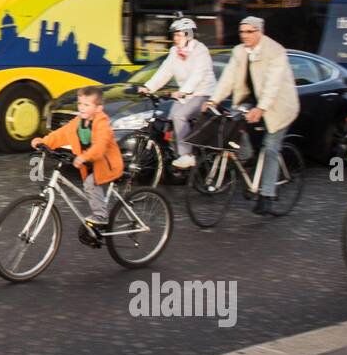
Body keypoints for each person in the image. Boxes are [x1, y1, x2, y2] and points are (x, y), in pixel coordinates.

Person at [205, 16, 300, 216]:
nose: (245, 36)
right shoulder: (239, 52)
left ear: (259, 32)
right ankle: (247, 155)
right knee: (230, 123)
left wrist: (261, 108)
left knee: (270, 147)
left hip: (278, 105)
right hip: (251, 99)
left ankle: (267, 195)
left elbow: (273, 85)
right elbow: (228, 78)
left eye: (249, 32)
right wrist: (214, 100)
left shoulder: (275, 52)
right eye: (242, 32)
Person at [31, 85, 123, 232]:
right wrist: (43, 142)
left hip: (107, 163)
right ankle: (98, 210)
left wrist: (84, 157)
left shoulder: (101, 123)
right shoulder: (78, 122)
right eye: (80, 103)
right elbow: (61, 134)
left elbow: (100, 146)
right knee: (89, 187)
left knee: (90, 183)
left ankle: (101, 216)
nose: (82, 107)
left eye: (87, 105)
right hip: (90, 162)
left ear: (98, 108)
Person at [138, 18, 216, 169]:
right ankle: (173, 152)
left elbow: (198, 75)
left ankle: (187, 155)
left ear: (189, 35)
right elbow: (164, 72)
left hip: (203, 93)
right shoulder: (174, 52)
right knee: (166, 116)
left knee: (179, 115)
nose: (175, 39)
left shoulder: (201, 50)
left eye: (179, 35)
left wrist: (183, 91)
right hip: (186, 96)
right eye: (174, 35)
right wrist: (148, 87)